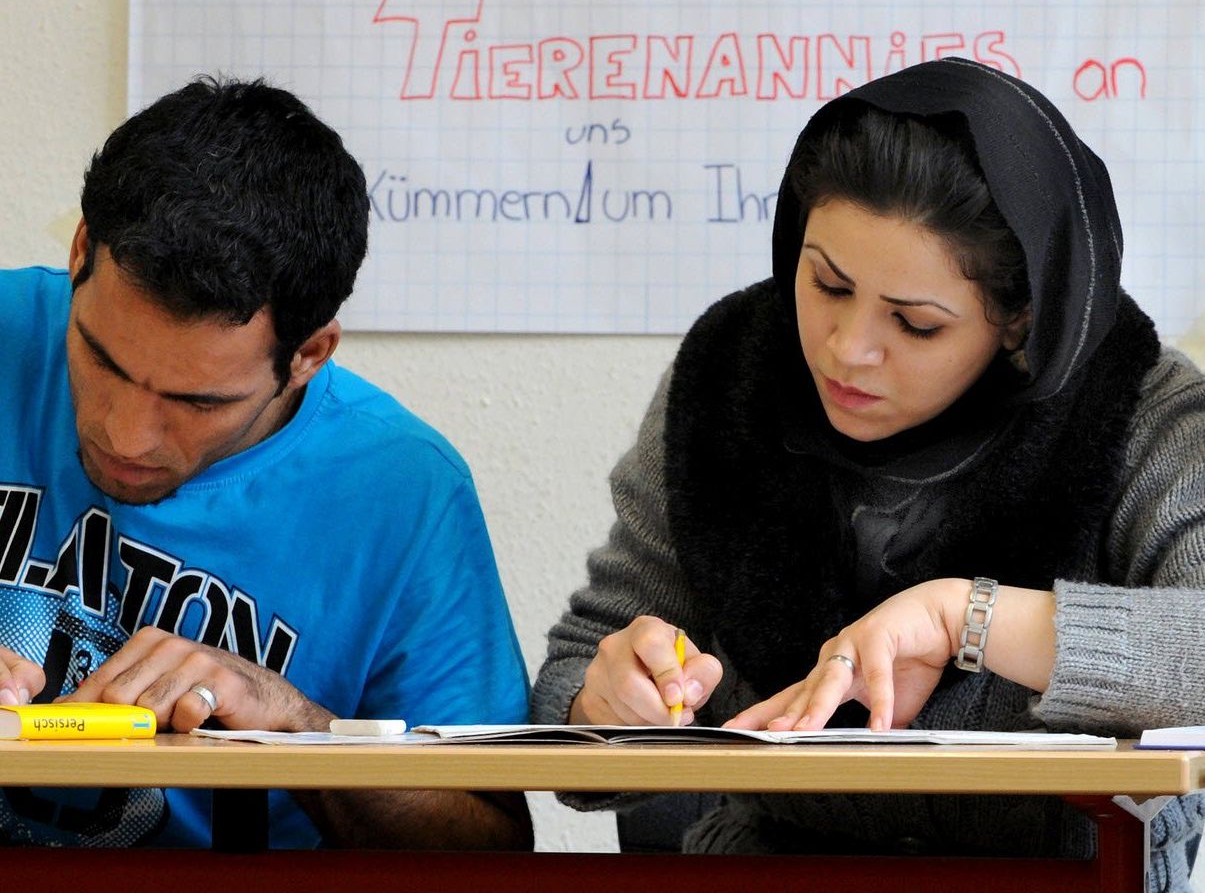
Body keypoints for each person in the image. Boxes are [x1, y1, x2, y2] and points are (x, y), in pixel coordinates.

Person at [531, 57, 1205, 889]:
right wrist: (608, 709)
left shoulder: (1136, 406)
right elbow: (577, 673)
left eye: (915, 325)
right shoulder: (732, 376)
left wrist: (967, 615)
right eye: (826, 284)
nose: (847, 349)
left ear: (1019, 322)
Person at [0, 76, 531, 850]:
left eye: (197, 401)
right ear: (82, 251)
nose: (126, 434)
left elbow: (487, 846)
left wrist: (298, 727)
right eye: (102, 359)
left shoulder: (402, 490)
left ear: (308, 354)